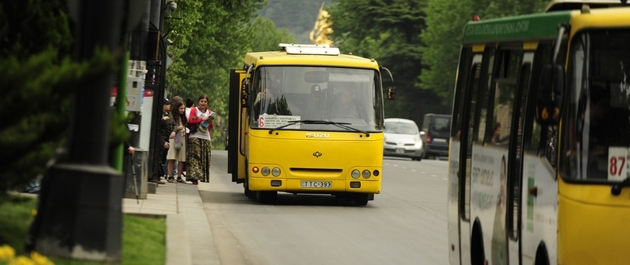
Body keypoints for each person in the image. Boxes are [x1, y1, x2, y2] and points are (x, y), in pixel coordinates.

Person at [187, 94, 214, 185]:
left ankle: (202, 176)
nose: (203, 103)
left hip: (206, 137)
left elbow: (211, 127)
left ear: (207, 103)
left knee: (204, 158)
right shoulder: (194, 110)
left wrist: (210, 121)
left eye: (205, 101)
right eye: (201, 101)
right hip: (195, 136)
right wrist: (202, 118)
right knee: (195, 157)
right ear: (198, 102)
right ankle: (194, 178)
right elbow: (191, 120)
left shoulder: (209, 112)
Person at [166, 101, 187, 183]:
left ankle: (179, 176)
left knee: (181, 158)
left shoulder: (183, 118)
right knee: (173, 158)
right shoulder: (173, 117)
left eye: (184, 109)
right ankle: (170, 176)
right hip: (174, 138)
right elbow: (171, 128)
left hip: (182, 137)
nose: (182, 110)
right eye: (181, 108)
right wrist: (178, 128)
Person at [159, 98, 173, 182]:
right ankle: (159, 174)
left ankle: (161, 173)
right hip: (161, 138)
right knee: (160, 157)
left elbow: (174, 124)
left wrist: (174, 131)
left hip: (168, 138)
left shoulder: (170, 114)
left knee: (164, 157)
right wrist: (163, 120)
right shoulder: (160, 114)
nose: (169, 106)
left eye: (169, 104)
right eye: (167, 104)